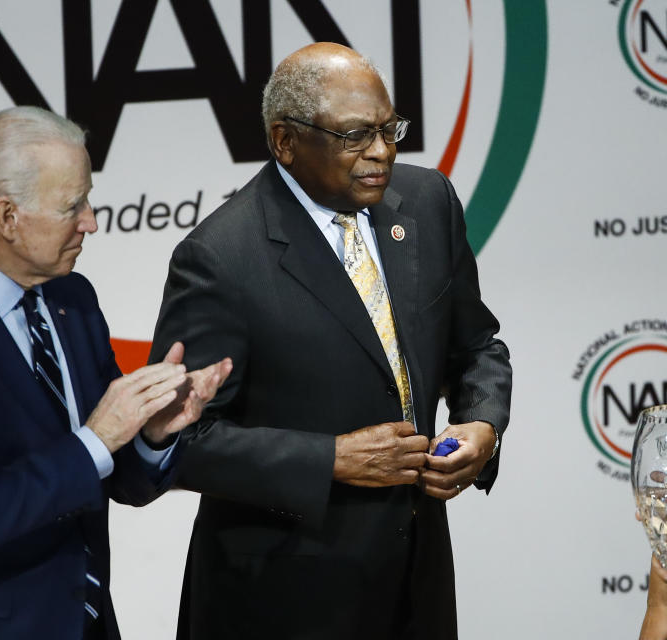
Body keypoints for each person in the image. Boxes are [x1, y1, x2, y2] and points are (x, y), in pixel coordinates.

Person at [149, 42, 512, 639]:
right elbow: (174, 440)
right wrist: (330, 460)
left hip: (416, 590)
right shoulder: (220, 258)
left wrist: (484, 424)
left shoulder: (427, 203)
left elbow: (477, 346)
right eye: (353, 136)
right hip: (281, 602)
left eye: (388, 128)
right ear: (285, 141)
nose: (380, 152)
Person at [0, 106, 231, 639]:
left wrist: (150, 432)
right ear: (7, 217)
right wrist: (99, 437)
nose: (91, 221)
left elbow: (109, 475)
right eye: (72, 205)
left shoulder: (72, 299)